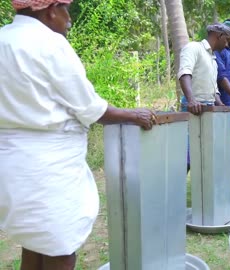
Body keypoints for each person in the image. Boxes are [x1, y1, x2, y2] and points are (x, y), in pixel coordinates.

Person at [0, 1, 156, 269]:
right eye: (65, 10)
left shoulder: (4, 39)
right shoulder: (49, 43)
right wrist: (133, 114)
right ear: (50, 10)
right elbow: (90, 107)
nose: (69, 18)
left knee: (34, 242)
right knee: (60, 249)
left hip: (12, 165)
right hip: (49, 168)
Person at [178, 23, 230, 171]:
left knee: (204, 154)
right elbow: (185, 73)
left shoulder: (213, 59)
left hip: (208, 109)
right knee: (187, 157)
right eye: (226, 40)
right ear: (218, 36)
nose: (227, 44)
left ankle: (202, 191)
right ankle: (175, 190)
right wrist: (191, 100)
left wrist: (220, 103)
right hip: (193, 107)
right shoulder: (194, 48)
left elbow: (213, 88)